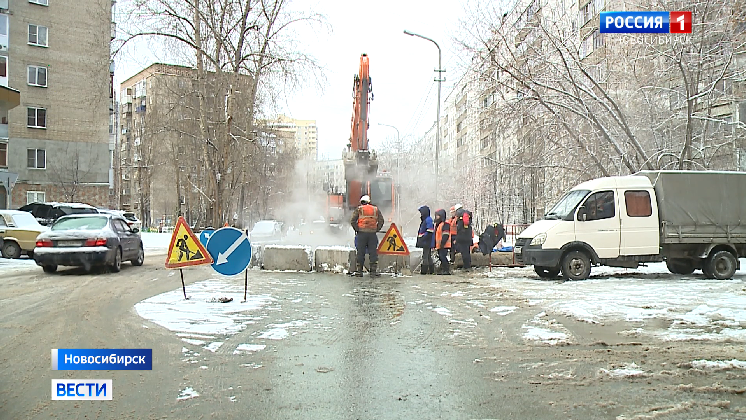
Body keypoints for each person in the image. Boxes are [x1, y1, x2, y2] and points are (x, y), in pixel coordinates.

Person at [350, 195, 384, 277]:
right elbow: (381, 221)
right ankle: (373, 271)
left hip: (361, 233)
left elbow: (352, 221)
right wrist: (376, 229)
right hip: (372, 234)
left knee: (360, 252)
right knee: (373, 252)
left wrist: (357, 229)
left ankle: (359, 271)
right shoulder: (375, 209)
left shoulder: (359, 209)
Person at [416, 205, 435, 275]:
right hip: (427, 241)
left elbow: (430, 231)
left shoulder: (428, 219)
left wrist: (423, 237)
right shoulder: (426, 219)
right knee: (428, 256)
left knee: (425, 256)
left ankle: (424, 271)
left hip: (427, 241)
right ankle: (431, 271)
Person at [454, 203, 474, 271]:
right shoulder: (466, 215)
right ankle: (467, 266)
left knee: (464, 253)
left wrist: (457, 238)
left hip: (463, 238)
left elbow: (459, 228)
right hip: (467, 237)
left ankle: (466, 267)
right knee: (467, 252)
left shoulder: (460, 216)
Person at [433, 209, 451, 275]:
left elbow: (446, 235)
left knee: (443, 257)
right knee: (441, 257)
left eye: (438, 216)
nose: (436, 217)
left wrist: (442, 243)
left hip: (444, 244)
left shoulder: (445, 224)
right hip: (439, 245)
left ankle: (446, 270)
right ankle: (443, 269)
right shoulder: (438, 225)